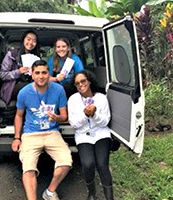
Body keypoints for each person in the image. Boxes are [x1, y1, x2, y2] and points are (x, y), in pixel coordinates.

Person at [12, 60, 72, 200]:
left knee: (66, 162)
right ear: (32, 75)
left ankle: (50, 192)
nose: (41, 76)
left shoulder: (58, 89)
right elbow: (19, 115)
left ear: (49, 74)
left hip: (52, 132)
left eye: (44, 72)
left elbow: (64, 116)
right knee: (28, 168)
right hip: (31, 134)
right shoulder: (24, 92)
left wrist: (57, 118)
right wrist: (16, 138)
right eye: (37, 73)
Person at [68, 71, 114, 200]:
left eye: (83, 81)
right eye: (77, 83)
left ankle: (109, 197)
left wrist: (94, 115)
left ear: (89, 81)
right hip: (83, 135)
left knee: (102, 164)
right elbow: (74, 124)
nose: (80, 85)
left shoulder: (101, 98)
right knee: (88, 164)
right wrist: (85, 114)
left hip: (101, 133)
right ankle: (91, 192)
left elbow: (105, 121)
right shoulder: (73, 100)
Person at [0, 30, 40, 105]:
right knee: (30, 88)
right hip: (12, 88)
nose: (31, 43)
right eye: (28, 39)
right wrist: (18, 72)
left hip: (30, 84)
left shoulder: (36, 57)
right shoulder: (12, 54)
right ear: (23, 40)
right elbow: (2, 75)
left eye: (34, 41)